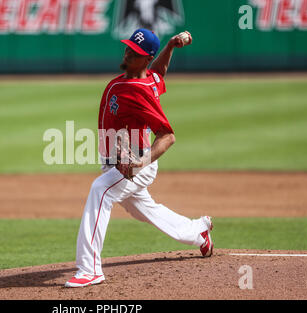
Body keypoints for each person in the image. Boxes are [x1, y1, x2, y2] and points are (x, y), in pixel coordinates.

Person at [65, 28, 214, 288]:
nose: (128, 52)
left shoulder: (139, 91)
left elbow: (167, 136)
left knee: (101, 191)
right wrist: (170, 46)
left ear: (144, 58)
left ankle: (89, 269)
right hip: (121, 162)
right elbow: (159, 73)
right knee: (144, 210)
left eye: (135, 52)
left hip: (135, 164)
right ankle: (198, 232)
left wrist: (140, 163)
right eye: (128, 47)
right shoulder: (146, 79)